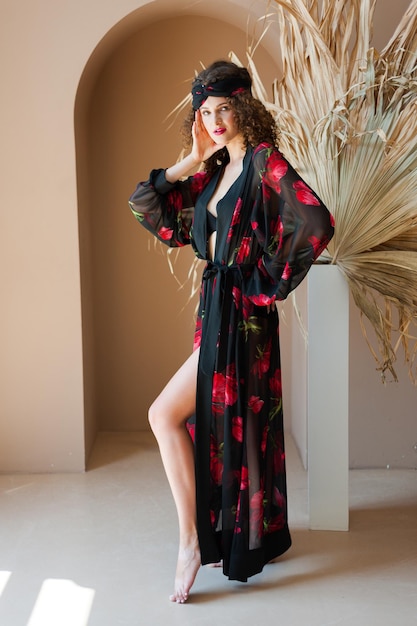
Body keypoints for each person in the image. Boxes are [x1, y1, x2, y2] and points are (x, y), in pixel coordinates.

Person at [128, 60, 334, 603]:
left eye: (224, 109)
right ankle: (229, 541)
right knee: (229, 426)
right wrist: (190, 159)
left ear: (243, 107)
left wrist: (265, 283)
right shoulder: (213, 169)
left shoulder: (264, 161)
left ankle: (191, 542)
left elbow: (314, 222)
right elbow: (146, 206)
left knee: (168, 414)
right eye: (206, 112)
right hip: (216, 311)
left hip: (242, 315)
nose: (216, 121)